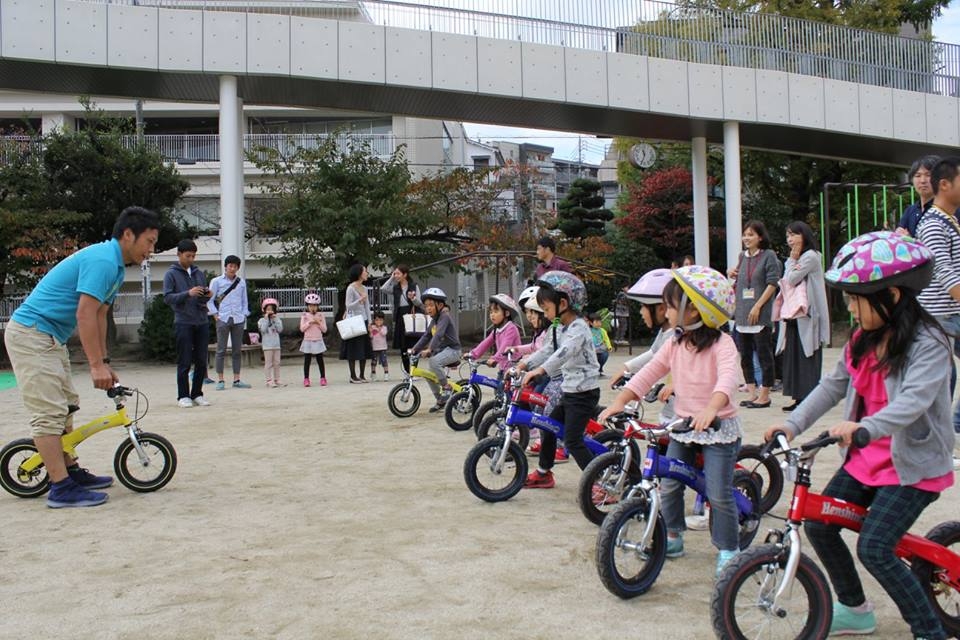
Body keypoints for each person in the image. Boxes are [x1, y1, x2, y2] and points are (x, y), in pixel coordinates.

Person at [764, 230, 955, 639]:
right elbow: (832, 386)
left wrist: (865, 427)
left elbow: (913, 402)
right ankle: (855, 609)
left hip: (913, 465)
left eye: (857, 299)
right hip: (867, 458)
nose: (851, 308)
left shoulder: (930, 342)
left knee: (874, 548)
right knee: (819, 524)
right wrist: (792, 423)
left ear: (893, 296)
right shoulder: (861, 340)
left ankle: (929, 632)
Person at [4, 206, 160, 508]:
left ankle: (70, 471)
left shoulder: (114, 266)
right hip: (31, 334)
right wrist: (94, 365)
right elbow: (85, 313)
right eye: (150, 241)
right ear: (128, 235)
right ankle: (60, 487)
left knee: (65, 407)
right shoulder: (103, 260)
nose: (151, 250)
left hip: (50, 336)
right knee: (49, 414)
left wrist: (104, 361)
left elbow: (101, 314)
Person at [598, 265, 742, 576]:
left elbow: (728, 380)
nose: (667, 310)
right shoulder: (675, 341)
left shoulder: (723, 344)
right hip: (682, 428)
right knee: (670, 484)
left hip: (718, 429)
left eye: (673, 305)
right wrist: (621, 401)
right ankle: (673, 534)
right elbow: (651, 371)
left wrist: (712, 408)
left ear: (694, 310)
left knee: (718, 493)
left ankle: (730, 548)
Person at [518, 271, 600, 487]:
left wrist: (541, 370)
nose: (544, 315)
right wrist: (525, 364)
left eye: (545, 309)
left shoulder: (579, 328)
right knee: (549, 426)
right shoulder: (559, 327)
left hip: (583, 393)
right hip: (569, 391)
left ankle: (600, 484)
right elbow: (547, 350)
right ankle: (544, 473)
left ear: (562, 303)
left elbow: (563, 352)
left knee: (573, 440)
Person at [916, 156, 960, 469]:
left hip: (948, 313)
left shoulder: (949, 220)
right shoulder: (933, 223)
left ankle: (946, 435)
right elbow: (943, 271)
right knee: (941, 378)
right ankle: (942, 438)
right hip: (939, 314)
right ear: (945, 184)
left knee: (945, 377)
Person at [775, 221, 830, 412]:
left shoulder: (810, 257)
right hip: (794, 314)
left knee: (808, 355)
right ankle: (799, 397)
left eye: (794, 235)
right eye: (788, 235)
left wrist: (791, 261)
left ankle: (810, 399)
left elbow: (790, 279)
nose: (790, 239)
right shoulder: (799, 257)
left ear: (804, 236)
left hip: (808, 314)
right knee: (794, 355)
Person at [729, 220, 781, 409]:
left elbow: (773, 283)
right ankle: (752, 393)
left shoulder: (769, 256)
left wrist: (758, 306)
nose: (746, 238)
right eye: (745, 234)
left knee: (764, 353)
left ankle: (765, 395)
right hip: (742, 312)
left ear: (760, 237)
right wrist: (732, 272)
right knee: (745, 355)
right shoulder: (742, 257)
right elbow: (741, 278)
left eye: (751, 235)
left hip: (759, 313)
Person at [163, 239, 212, 408]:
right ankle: (183, 395)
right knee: (184, 360)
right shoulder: (171, 274)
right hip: (183, 321)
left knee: (201, 360)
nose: (191, 259)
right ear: (179, 255)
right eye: (188, 256)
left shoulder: (198, 273)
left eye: (193, 256)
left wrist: (207, 295)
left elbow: (201, 297)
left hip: (201, 320)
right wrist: (188, 293)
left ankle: (197, 393)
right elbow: (168, 297)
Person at [409, 287, 462, 412]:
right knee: (429, 374)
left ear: (440, 305)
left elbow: (438, 335)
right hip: (443, 351)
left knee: (433, 362)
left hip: (453, 350)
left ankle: (446, 387)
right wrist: (414, 349)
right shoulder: (434, 320)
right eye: (426, 306)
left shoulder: (444, 317)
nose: (428, 308)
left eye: (431, 305)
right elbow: (426, 336)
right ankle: (440, 399)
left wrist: (429, 349)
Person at [206, 254, 251, 391]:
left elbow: (245, 301)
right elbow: (209, 300)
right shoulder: (216, 281)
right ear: (225, 266)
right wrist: (215, 315)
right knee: (221, 350)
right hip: (223, 318)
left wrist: (244, 314)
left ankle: (236, 379)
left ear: (238, 268)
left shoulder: (241, 282)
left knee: (237, 350)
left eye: (235, 266)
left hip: (238, 318)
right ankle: (221, 379)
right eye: (230, 266)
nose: (232, 268)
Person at [380, 265, 422, 373]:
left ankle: (414, 370)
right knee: (403, 346)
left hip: (411, 315)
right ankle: (407, 371)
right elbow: (383, 289)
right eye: (395, 273)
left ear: (405, 274)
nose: (396, 276)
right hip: (400, 316)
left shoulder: (413, 286)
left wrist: (413, 298)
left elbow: (419, 303)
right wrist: (391, 278)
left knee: (413, 345)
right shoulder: (395, 287)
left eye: (398, 273)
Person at [468, 293, 522, 371]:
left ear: (506, 313)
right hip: (503, 368)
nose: (492, 315)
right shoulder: (496, 330)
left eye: (496, 312)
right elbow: (485, 343)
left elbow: (505, 346)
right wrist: (473, 354)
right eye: (491, 312)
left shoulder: (511, 328)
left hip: (514, 369)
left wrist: (495, 358)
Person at [895, 155, 940, 238]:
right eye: (918, 176)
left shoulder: (949, 210)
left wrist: (911, 241)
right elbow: (899, 235)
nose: (922, 181)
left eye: (928, 175)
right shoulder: (910, 211)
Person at [343, 263, 373, 384]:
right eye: (365, 271)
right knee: (353, 348)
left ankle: (361, 375)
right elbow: (348, 305)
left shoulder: (365, 288)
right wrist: (360, 299)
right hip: (353, 321)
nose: (366, 273)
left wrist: (370, 321)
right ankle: (353, 376)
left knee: (363, 348)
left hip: (363, 320)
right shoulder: (351, 288)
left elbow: (367, 306)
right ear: (359, 273)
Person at [299, 292, 327, 387]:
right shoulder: (304, 315)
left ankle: (323, 378)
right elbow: (302, 329)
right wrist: (310, 322)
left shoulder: (320, 315)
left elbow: (325, 329)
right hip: (308, 340)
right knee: (307, 360)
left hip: (318, 340)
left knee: (320, 360)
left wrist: (318, 323)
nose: (313, 308)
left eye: (315, 305)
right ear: (307, 306)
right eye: (310, 306)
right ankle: (306, 379)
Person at [258, 297, 284, 388]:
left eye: (272, 309)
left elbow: (280, 329)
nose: (270, 311)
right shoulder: (261, 321)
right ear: (264, 310)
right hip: (267, 346)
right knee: (268, 363)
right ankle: (269, 380)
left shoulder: (277, 319)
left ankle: (277, 379)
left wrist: (275, 319)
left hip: (276, 345)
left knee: (277, 362)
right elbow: (263, 330)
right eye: (268, 309)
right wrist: (266, 319)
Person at [369, 311, 390, 381]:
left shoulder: (384, 327)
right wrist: (370, 331)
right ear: (374, 320)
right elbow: (371, 337)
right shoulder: (372, 327)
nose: (378, 321)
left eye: (380, 320)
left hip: (383, 347)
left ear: (383, 320)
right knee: (373, 361)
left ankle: (386, 374)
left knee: (384, 361)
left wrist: (379, 329)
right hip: (374, 347)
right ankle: (373, 373)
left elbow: (384, 333)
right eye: (377, 320)